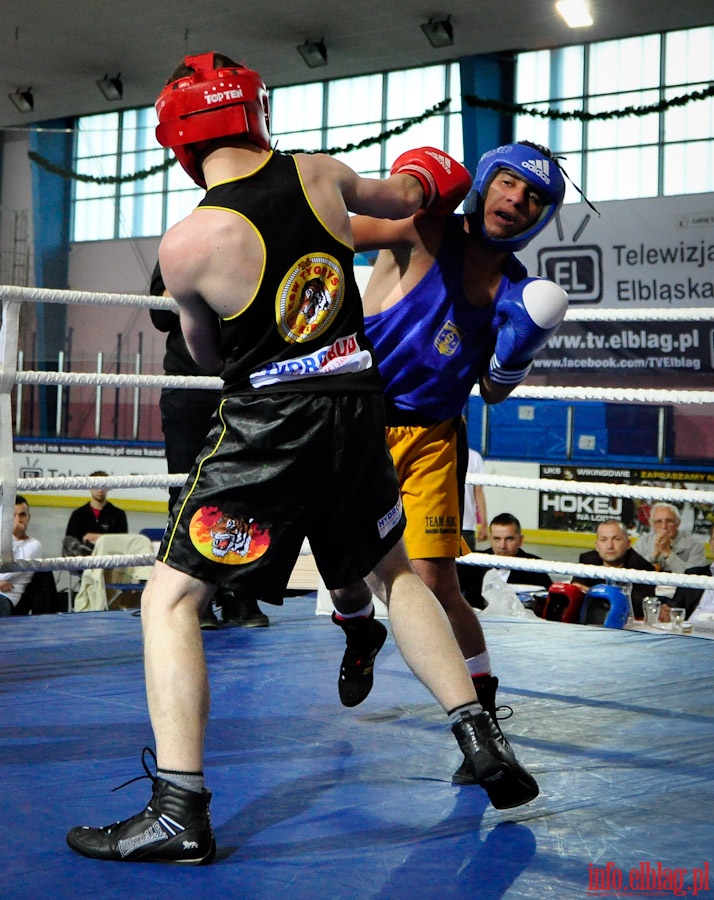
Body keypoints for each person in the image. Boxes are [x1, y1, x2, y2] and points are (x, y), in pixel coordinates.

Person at [65, 52, 539, 867]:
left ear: (178, 142)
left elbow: (210, 353)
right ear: (257, 116)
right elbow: (415, 192)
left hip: (269, 424)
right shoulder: (321, 175)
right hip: (359, 408)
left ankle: (180, 810)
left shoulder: (189, 243)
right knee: (393, 573)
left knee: (171, 600)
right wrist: (433, 175)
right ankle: (479, 735)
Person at [351, 141, 568, 728]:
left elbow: (493, 393)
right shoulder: (423, 229)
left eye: (534, 198)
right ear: (487, 181)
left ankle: (483, 710)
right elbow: (333, 234)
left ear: (541, 216)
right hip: (355, 420)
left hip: (432, 438)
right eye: (509, 184)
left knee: (433, 578)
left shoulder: (515, 293)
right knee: (347, 562)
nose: (516, 200)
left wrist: (516, 354)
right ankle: (357, 632)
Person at [150, 262, 270, 628]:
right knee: (186, 491)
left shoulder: (253, 240)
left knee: (245, 490)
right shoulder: (180, 243)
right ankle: (193, 596)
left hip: (242, 385)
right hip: (188, 387)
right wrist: (204, 285)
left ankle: (240, 593)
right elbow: (160, 313)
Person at [457, 513, 553, 610]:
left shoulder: (534, 566)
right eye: (497, 539)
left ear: (520, 540)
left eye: (509, 539)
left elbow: (550, 601)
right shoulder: (473, 562)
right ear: (490, 540)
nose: (502, 546)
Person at [572, 518, 656, 618]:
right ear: (597, 546)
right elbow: (576, 591)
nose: (610, 546)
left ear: (628, 544)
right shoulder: (587, 560)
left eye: (616, 539)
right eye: (603, 540)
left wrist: (592, 593)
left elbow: (637, 607)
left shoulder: (642, 567)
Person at [632, 502, 707, 600]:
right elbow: (633, 572)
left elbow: (694, 579)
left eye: (669, 521)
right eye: (658, 521)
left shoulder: (695, 545)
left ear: (678, 523)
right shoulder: (642, 542)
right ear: (652, 525)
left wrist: (667, 553)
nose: (664, 526)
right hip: (647, 596)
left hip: (682, 598)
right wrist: (654, 555)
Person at [659, 521, 714, 623]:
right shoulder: (693, 575)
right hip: (689, 635)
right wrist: (669, 614)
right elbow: (674, 609)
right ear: (710, 544)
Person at [63, 471, 128, 556]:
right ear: (89, 487)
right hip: (83, 561)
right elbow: (69, 541)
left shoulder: (118, 514)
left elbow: (123, 541)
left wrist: (101, 538)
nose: (100, 490)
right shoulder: (78, 514)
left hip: (109, 559)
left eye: (104, 486)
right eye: (96, 485)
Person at [459, 435, 488, 551]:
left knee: (466, 568)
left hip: (467, 525)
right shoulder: (437, 455)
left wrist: (484, 523)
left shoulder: (475, 458)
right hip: (440, 523)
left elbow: (479, 492)